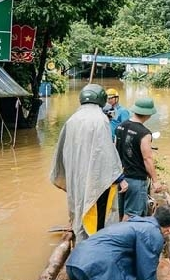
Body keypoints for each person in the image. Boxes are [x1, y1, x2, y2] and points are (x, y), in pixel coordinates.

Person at [50, 84, 126, 242]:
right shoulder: (100, 119)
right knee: (98, 215)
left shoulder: (72, 120)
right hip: (96, 179)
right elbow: (106, 153)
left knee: (80, 206)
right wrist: (120, 178)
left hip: (77, 175)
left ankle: (82, 242)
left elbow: (62, 152)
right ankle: (97, 245)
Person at [114, 97, 164, 220]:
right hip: (136, 179)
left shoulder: (120, 127)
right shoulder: (144, 133)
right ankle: (125, 237)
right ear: (148, 114)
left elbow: (114, 151)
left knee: (122, 212)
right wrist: (155, 180)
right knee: (132, 214)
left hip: (121, 177)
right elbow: (147, 158)